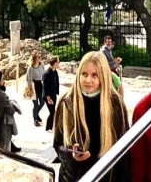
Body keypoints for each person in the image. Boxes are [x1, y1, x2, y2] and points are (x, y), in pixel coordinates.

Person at [52, 51, 131, 182]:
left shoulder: (115, 104)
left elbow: (124, 150)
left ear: (104, 76)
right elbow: (57, 144)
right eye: (84, 74)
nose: (88, 80)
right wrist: (71, 155)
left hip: (106, 177)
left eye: (95, 75)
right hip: (73, 177)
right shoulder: (67, 101)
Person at [28, 52, 48, 128]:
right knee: (35, 104)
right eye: (38, 57)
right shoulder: (30, 68)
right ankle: (35, 120)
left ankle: (36, 114)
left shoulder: (42, 65)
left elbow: (44, 75)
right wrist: (30, 89)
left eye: (40, 57)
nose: (40, 58)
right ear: (34, 59)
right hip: (33, 86)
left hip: (40, 85)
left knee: (42, 102)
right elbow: (29, 79)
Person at [42, 55, 62, 129]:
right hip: (48, 96)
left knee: (53, 112)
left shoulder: (55, 72)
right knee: (52, 112)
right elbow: (45, 87)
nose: (58, 64)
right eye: (58, 62)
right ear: (54, 63)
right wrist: (48, 98)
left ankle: (50, 127)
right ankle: (48, 127)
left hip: (53, 95)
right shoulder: (46, 74)